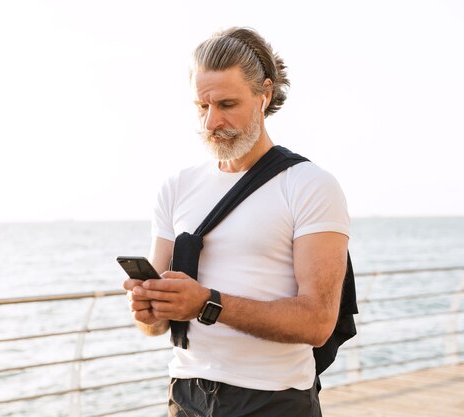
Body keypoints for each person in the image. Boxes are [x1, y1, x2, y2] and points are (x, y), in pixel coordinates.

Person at [123, 26, 349, 417]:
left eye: (227, 104)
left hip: (273, 398)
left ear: (264, 95)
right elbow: (157, 326)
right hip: (185, 393)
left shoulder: (310, 185)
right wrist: (149, 311)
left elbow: (318, 321)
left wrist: (207, 303)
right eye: (201, 106)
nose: (212, 122)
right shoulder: (177, 187)